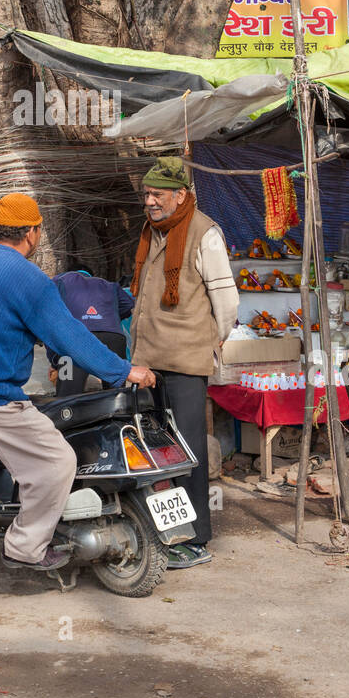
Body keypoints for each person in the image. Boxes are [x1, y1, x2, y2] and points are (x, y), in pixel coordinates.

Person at [0, 192, 156, 615]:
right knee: (54, 463)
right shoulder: (29, 280)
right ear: (31, 233)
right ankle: (24, 546)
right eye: (38, 230)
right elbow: (69, 336)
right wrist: (123, 370)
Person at [130, 156, 239, 569]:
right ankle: (165, 530)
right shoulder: (151, 232)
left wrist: (213, 340)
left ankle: (195, 539)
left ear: (181, 195)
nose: (150, 200)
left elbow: (226, 300)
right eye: (147, 193)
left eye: (157, 193)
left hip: (187, 363)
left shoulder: (204, 233)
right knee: (158, 450)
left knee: (189, 450)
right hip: (149, 363)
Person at [45, 270, 135, 391]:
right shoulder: (108, 284)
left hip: (76, 340)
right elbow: (129, 305)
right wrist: (109, 319)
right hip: (114, 337)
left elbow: (48, 320)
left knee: (67, 396)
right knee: (117, 396)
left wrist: (55, 362)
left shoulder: (59, 281)